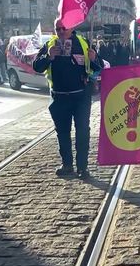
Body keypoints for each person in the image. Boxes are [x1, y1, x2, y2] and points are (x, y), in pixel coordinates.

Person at [33, 18, 102, 179]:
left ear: (72, 28)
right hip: (59, 98)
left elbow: (99, 69)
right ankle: (67, 164)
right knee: (62, 133)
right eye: (58, 29)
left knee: (83, 132)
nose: (61, 32)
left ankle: (83, 167)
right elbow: (36, 66)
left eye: (64, 28)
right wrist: (48, 57)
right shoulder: (50, 44)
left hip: (81, 97)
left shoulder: (83, 42)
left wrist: (93, 60)